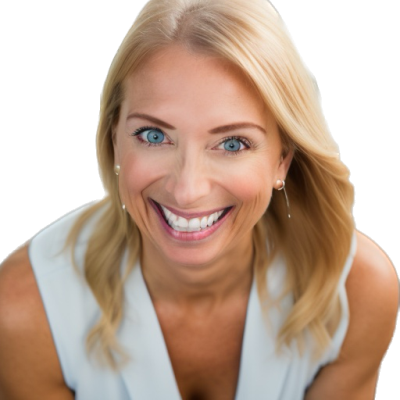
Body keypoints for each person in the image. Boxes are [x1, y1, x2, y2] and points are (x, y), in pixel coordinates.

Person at [0, 0, 398, 399]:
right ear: (114, 140)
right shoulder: (25, 308)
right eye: (154, 136)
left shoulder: (359, 291)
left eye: (232, 143)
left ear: (282, 160)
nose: (187, 191)